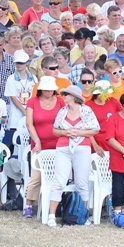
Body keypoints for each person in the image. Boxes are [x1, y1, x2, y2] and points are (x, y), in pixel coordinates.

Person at [47, 85, 99, 227]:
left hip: (82, 147)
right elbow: (55, 130)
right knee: (59, 181)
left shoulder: (87, 111)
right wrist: (65, 133)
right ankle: (51, 216)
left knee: (82, 183)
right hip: (63, 147)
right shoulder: (62, 111)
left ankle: (83, 214)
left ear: (74, 97)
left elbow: (95, 129)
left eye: (66, 95)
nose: (63, 98)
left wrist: (78, 132)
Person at [23, 76, 65, 218]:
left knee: (58, 175)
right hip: (39, 144)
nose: (49, 92)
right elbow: (29, 124)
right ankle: (28, 204)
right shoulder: (33, 102)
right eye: (46, 90)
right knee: (36, 175)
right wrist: (37, 140)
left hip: (58, 144)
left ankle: (56, 205)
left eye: (51, 90)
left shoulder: (60, 102)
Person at [4, 49, 36, 136]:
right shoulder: (11, 78)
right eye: (17, 63)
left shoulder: (33, 78)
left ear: (26, 63)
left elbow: (35, 96)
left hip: (31, 112)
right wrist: (24, 110)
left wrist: (28, 111)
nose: (18, 65)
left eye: (21, 63)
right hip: (16, 115)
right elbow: (13, 97)